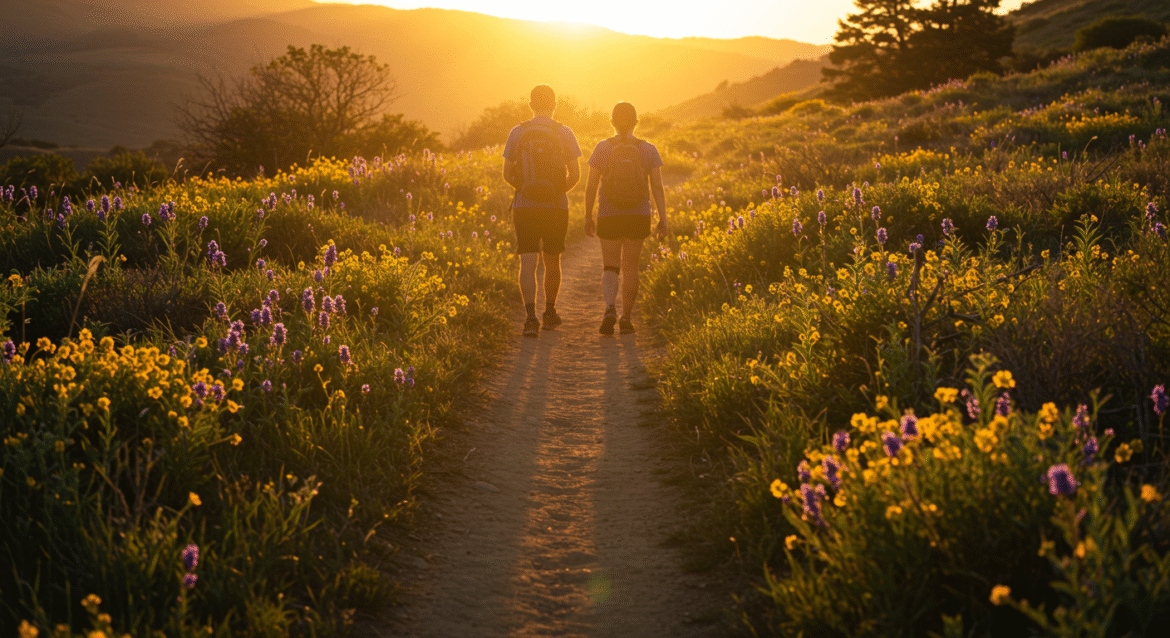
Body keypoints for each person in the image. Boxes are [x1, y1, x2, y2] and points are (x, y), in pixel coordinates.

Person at [502, 85, 582, 337]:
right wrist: (555, 193)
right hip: (556, 207)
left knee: (527, 262)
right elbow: (576, 175)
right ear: (554, 104)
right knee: (552, 260)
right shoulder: (564, 132)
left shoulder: (517, 132)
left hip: (524, 207)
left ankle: (529, 318)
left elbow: (506, 173)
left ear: (530, 104)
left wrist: (526, 190)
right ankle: (549, 313)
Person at [584, 101, 667, 335]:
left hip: (609, 214)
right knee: (631, 267)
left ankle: (610, 307)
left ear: (611, 122)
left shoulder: (602, 148)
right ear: (636, 122)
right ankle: (627, 318)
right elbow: (658, 187)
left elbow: (591, 187)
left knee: (610, 266)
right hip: (638, 215)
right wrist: (664, 218)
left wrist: (587, 215)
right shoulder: (648, 149)